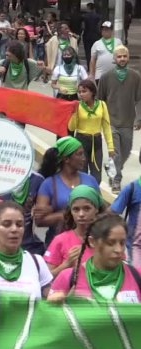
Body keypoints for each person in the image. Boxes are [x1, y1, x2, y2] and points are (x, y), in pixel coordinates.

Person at [48, 214, 140, 303]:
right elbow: (49, 315)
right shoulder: (68, 277)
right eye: (110, 243)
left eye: (122, 243)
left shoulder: (137, 275)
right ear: (92, 242)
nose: (119, 250)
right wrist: (54, 305)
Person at [34, 136, 100, 246]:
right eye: (79, 154)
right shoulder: (49, 184)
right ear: (66, 159)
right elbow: (39, 221)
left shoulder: (90, 180)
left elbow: (102, 211)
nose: (84, 158)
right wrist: (66, 215)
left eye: (83, 154)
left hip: (88, 243)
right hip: (57, 246)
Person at [98, 45, 141, 193]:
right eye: (119, 56)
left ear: (128, 58)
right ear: (114, 59)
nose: (122, 59)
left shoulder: (136, 76)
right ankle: (116, 180)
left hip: (128, 122)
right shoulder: (106, 77)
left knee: (126, 151)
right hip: (111, 121)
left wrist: (139, 118)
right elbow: (100, 100)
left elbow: (139, 100)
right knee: (115, 152)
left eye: (125, 56)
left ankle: (111, 168)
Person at [44, 185, 102, 277]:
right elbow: (46, 278)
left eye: (87, 208)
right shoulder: (60, 240)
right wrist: (66, 264)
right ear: (71, 211)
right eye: (76, 209)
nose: (81, 214)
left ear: (96, 210)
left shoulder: (106, 239)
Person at [68, 80, 113, 183]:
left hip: (96, 142)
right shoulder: (78, 106)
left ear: (92, 92)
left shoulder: (102, 105)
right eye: (79, 92)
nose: (81, 94)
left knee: (97, 177)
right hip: (80, 142)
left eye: (84, 91)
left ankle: (93, 196)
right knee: (81, 175)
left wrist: (110, 147)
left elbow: (106, 127)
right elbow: (71, 128)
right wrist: (74, 113)